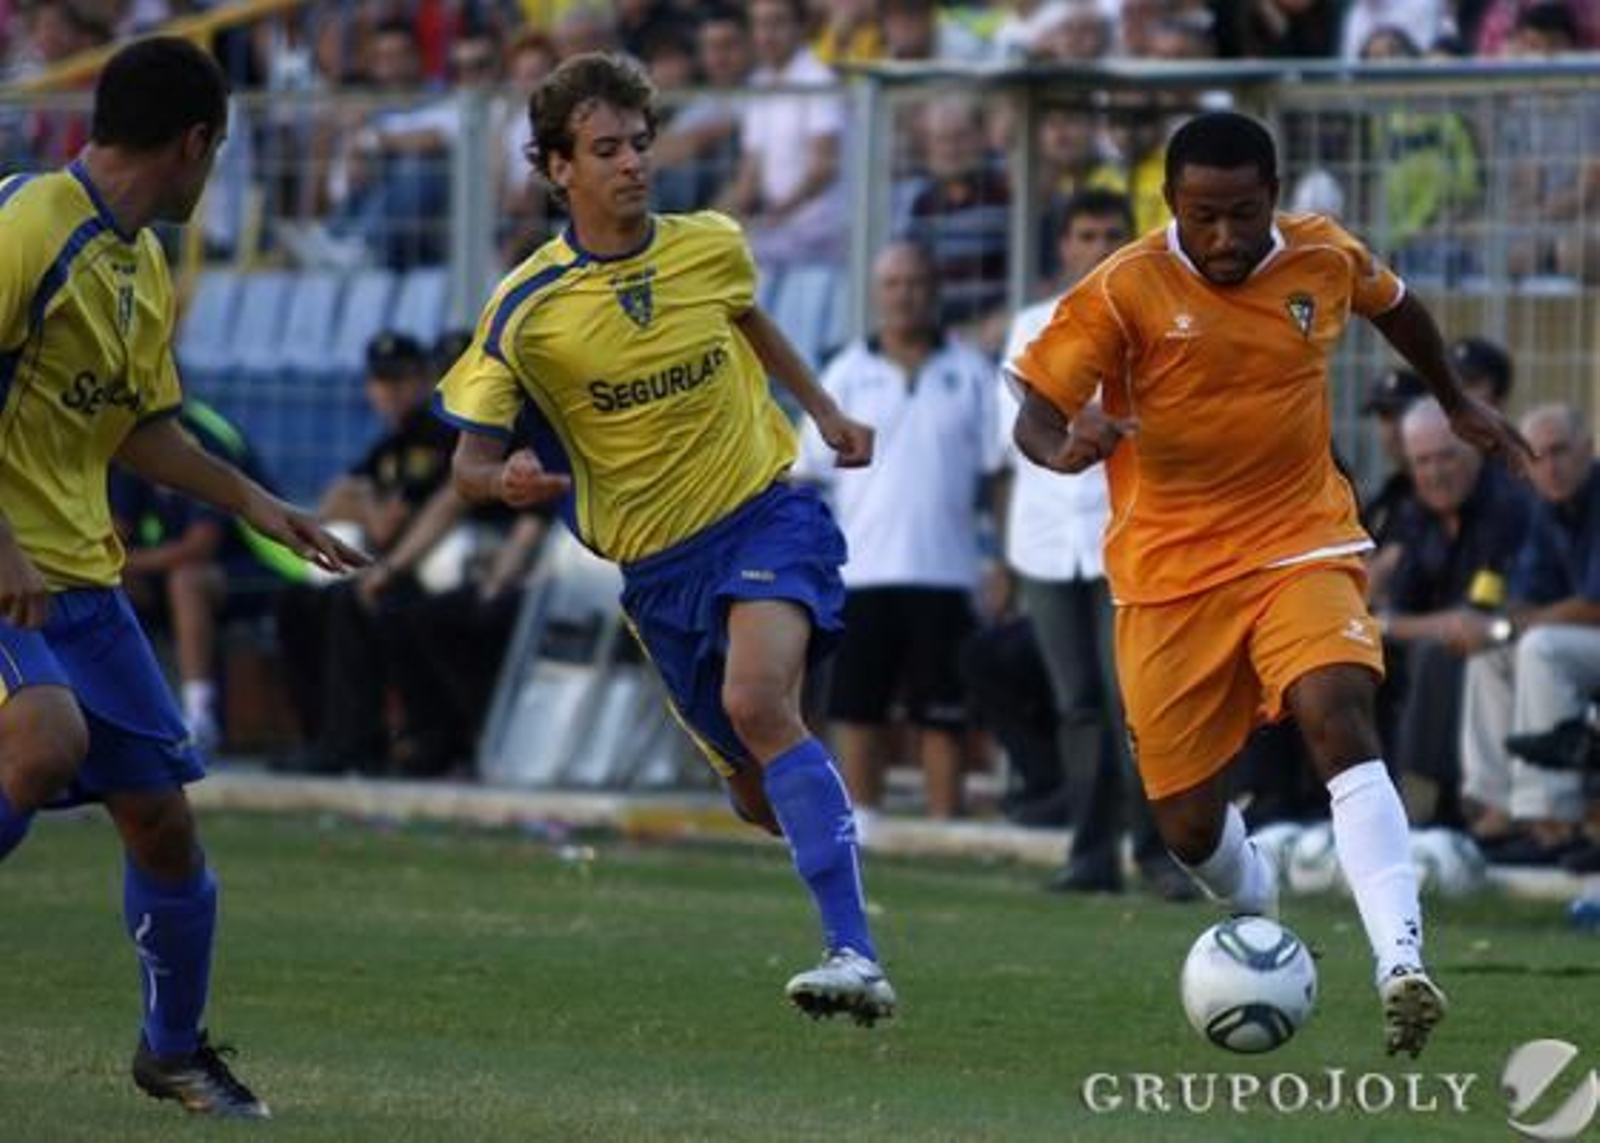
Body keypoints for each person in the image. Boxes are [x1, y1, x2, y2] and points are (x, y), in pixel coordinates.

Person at [1007, 111, 1531, 1057]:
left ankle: (1400, 960)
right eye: (1204, 216)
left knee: (1338, 708)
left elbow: (1399, 306)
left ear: (1274, 198)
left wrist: (1455, 398)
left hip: (1300, 540)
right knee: (1187, 822)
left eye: (1245, 213)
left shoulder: (1321, 258)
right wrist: (1064, 447)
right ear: (1170, 205)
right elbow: (1035, 413)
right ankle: (1260, 908)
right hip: (1167, 581)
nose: (1226, 238)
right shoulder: (1123, 289)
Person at [436, 52, 894, 1024]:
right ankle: (836, 858)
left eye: (640, 143)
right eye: (606, 149)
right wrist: (502, 476)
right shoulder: (526, 309)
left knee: (759, 699)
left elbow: (748, 319)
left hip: (766, 513)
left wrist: (822, 411)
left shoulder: (709, 242)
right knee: (752, 793)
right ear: (556, 166)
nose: (633, 164)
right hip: (658, 573)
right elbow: (467, 464)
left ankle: (854, 952)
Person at [0, 38, 365, 1118]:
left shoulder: (139, 264)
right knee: (45, 738)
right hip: (6, 566)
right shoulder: (25, 226)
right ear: (196, 142)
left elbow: (139, 430)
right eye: (219, 155)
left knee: (159, 818)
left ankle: (172, 1052)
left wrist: (262, 503)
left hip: (78, 578)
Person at [994, 188, 1192, 900]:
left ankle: (1159, 851)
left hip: (1132, 539)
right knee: (1077, 701)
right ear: (1064, 246)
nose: (1097, 243)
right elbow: (1013, 445)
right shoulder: (1028, 328)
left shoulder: (1153, 324)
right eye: (1085, 232)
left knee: (1133, 700)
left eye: (1111, 232)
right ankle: (1090, 853)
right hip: (1048, 542)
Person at [796, 241, 1001, 830]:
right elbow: (805, 472)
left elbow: (997, 473)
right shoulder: (845, 375)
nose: (904, 294)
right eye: (892, 284)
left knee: (943, 710)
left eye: (914, 282)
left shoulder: (969, 372)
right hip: (861, 568)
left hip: (949, 568)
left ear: (934, 289)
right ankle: (863, 822)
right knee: (857, 705)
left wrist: (1001, 561)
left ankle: (944, 822)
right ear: (876, 292)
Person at [111, 398, 310, 752]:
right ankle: (116, 715)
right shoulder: (132, 435)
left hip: (264, 565)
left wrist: (122, 562)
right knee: (102, 582)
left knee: (187, 580)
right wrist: (112, 565)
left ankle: (199, 719)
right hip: (180, 569)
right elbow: (115, 532)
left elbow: (200, 546)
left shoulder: (207, 437)